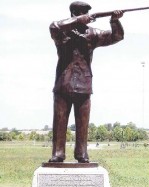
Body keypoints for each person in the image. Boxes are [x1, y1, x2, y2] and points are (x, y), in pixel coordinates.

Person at [49, 1, 124, 163]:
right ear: (74, 13)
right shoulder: (62, 33)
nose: (85, 15)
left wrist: (114, 20)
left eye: (86, 12)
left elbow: (117, 36)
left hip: (84, 85)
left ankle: (81, 153)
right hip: (63, 84)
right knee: (60, 121)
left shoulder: (93, 34)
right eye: (82, 12)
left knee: (83, 123)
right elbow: (54, 26)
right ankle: (58, 153)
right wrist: (77, 21)